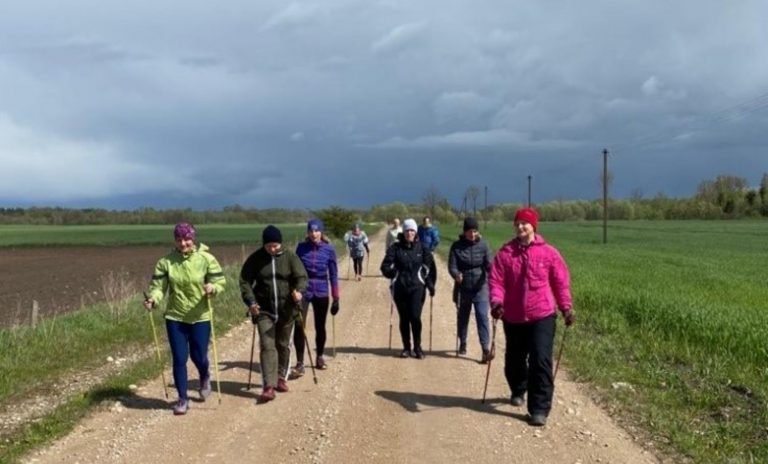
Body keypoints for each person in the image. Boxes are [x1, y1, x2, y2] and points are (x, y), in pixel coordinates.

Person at [488, 208, 574, 427]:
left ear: (533, 226)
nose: (520, 227)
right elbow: (496, 281)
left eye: (524, 223)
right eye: (517, 224)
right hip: (513, 315)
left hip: (542, 315)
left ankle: (539, 409)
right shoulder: (505, 253)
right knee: (514, 359)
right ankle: (518, 388)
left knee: (541, 360)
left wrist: (566, 308)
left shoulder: (549, 253)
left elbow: (560, 283)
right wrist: (497, 303)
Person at [143, 223, 227, 415]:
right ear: (175, 240)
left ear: (193, 239)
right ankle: (182, 398)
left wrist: (213, 288)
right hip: (175, 316)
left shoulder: (206, 259)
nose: (183, 243)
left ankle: (204, 375)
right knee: (179, 358)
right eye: (179, 240)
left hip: (200, 316)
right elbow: (158, 287)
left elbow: (220, 281)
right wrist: (153, 300)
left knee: (198, 356)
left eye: (187, 239)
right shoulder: (165, 262)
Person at [240, 225, 308, 403]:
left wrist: (299, 291)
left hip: (287, 309)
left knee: (283, 344)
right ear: (264, 244)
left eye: (275, 245)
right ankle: (268, 386)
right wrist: (251, 302)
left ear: (280, 243)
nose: (272, 249)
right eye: (268, 245)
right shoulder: (256, 258)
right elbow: (245, 281)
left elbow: (301, 277)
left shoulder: (290, 257)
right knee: (267, 345)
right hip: (264, 309)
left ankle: (280, 377)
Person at [380, 218, 437, 359]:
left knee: (415, 317)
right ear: (403, 232)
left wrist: (430, 285)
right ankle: (406, 347)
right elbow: (384, 266)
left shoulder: (423, 248)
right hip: (400, 287)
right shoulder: (395, 248)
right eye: (407, 230)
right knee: (404, 318)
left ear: (415, 232)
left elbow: (430, 268)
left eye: (412, 230)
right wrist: (392, 273)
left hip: (417, 287)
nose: (409, 233)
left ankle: (417, 347)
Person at [291, 219, 340, 376]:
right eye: (311, 231)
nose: (314, 234)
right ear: (307, 232)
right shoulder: (301, 248)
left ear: (321, 232)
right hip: (304, 289)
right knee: (299, 325)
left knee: (320, 325)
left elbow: (333, 275)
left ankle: (319, 356)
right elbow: (294, 271)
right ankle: (300, 363)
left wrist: (336, 298)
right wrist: (293, 289)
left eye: (317, 231)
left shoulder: (329, 249)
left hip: (321, 289)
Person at [448, 217, 492, 362]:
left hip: (481, 287)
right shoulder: (456, 246)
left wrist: (493, 274)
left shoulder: (484, 245)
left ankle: (485, 349)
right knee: (463, 317)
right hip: (463, 287)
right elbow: (452, 266)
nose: (472, 234)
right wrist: (456, 274)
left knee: (482, 316)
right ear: (464, 232)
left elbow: (489, 264)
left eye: (474, 231)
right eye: (469, 231)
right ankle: (463, 341)